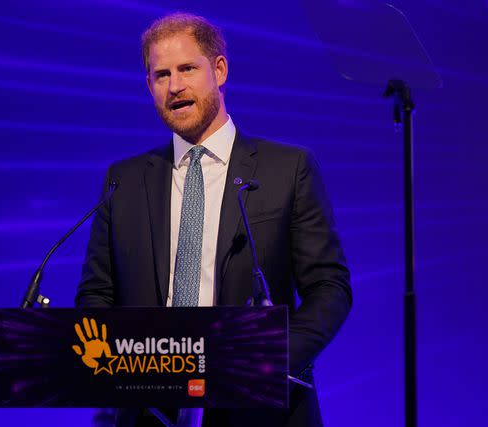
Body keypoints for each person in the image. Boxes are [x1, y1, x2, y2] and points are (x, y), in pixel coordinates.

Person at [76, 12, 352, 427]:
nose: (175, 87)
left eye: (188, 69)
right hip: (148, 408)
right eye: (160, 75)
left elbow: (329, 288)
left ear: (219, 70)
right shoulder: (124, 180)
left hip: (258, 407)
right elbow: (97, 293)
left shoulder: (287, 168)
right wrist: (120, 365)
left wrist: (271, 360)